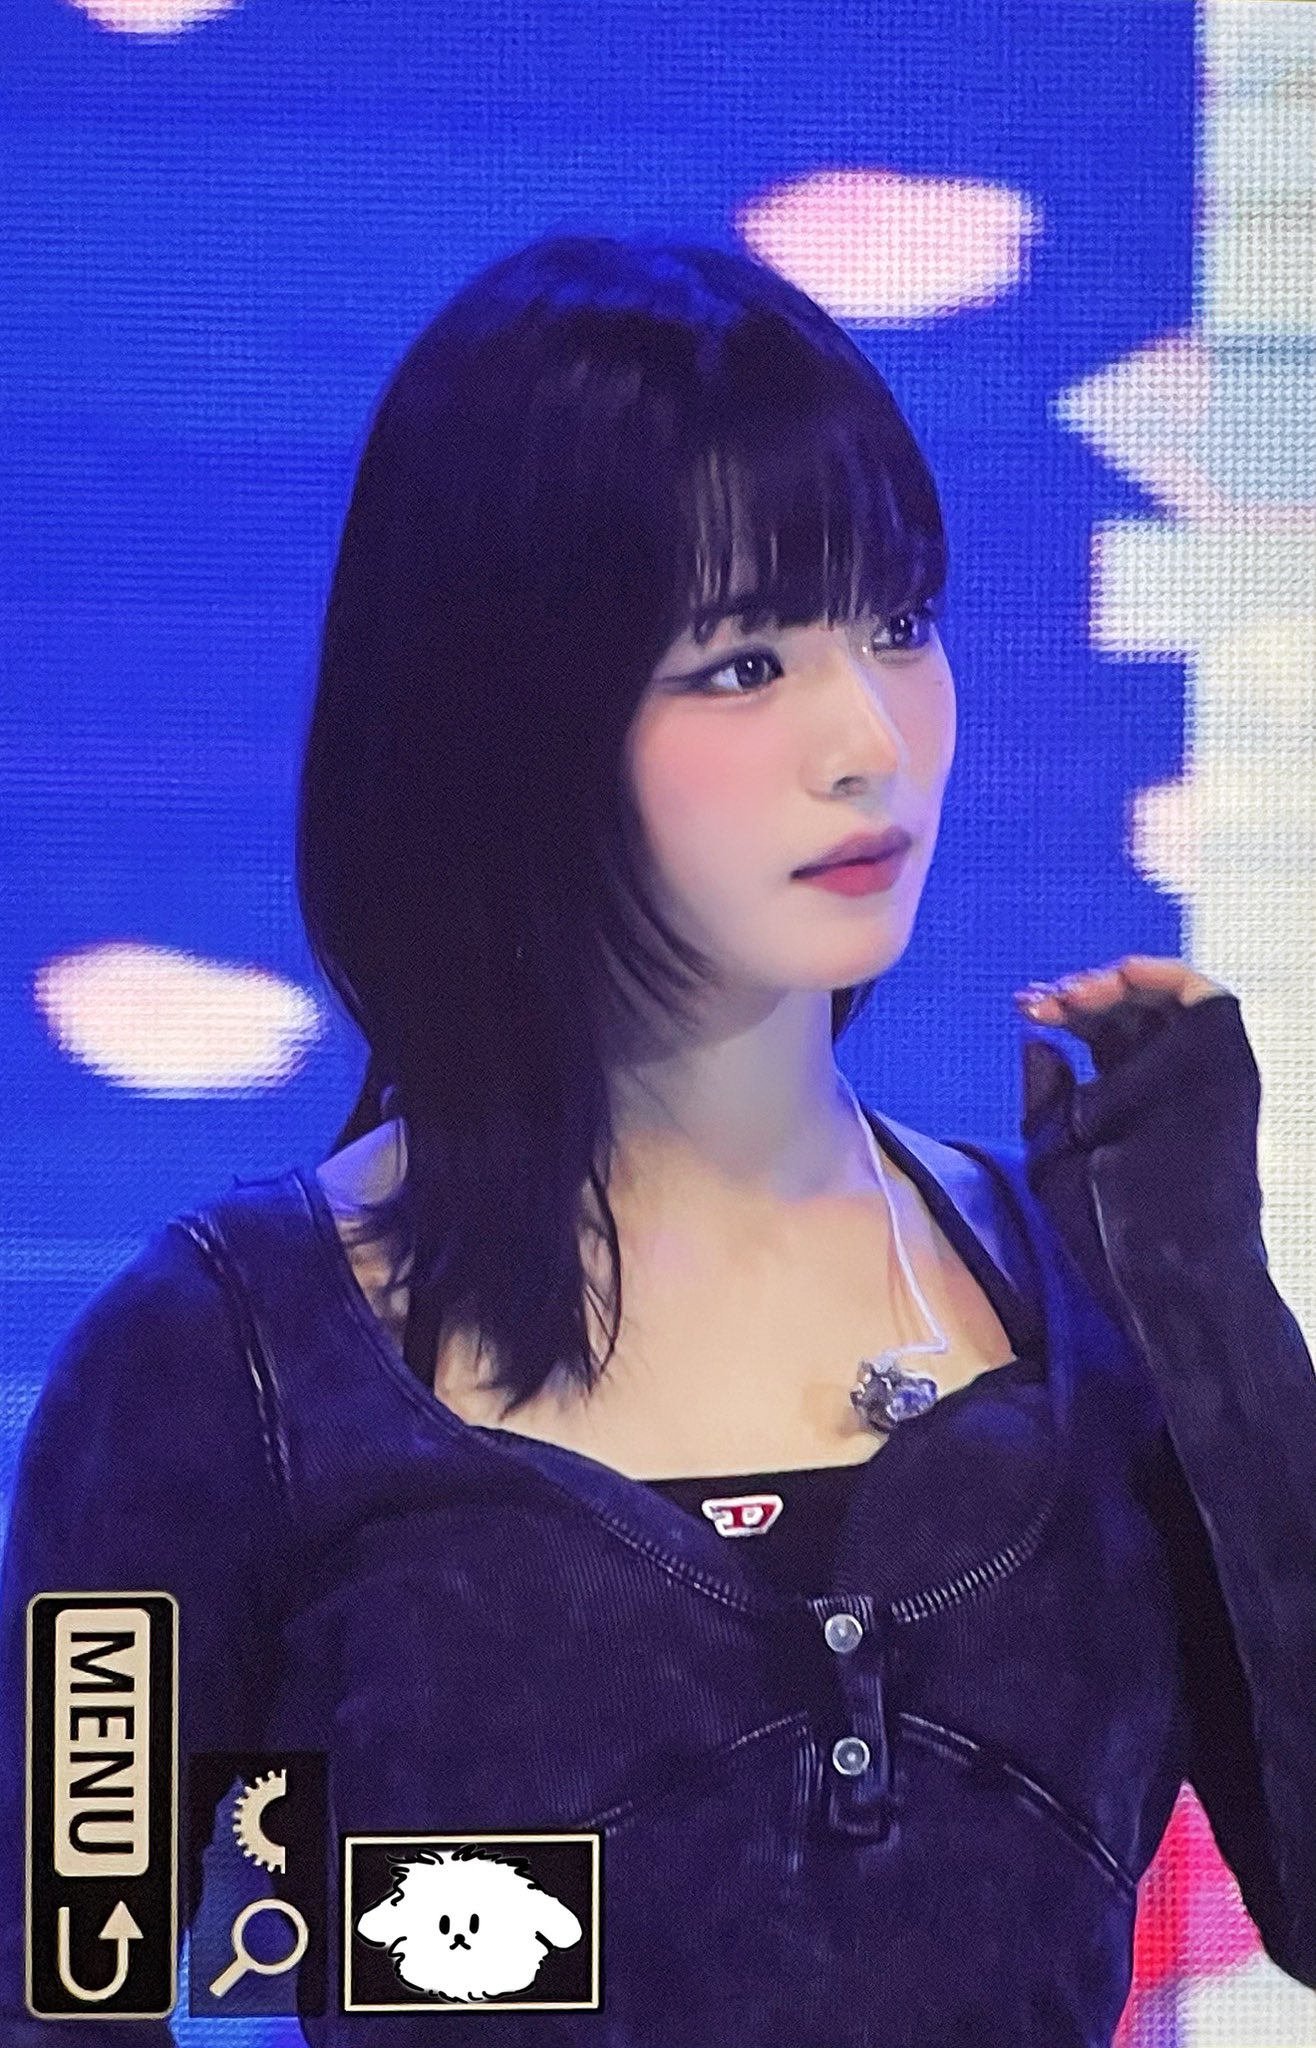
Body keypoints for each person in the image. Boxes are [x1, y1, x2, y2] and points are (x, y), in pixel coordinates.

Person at [1, 232, 1314, 2047]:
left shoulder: (1090, 1308)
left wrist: (1210, 1306)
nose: (871, 740)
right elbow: (65, 1976)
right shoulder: (226, 1367)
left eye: (900, 625)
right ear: (508, 721)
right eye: (745, 660)